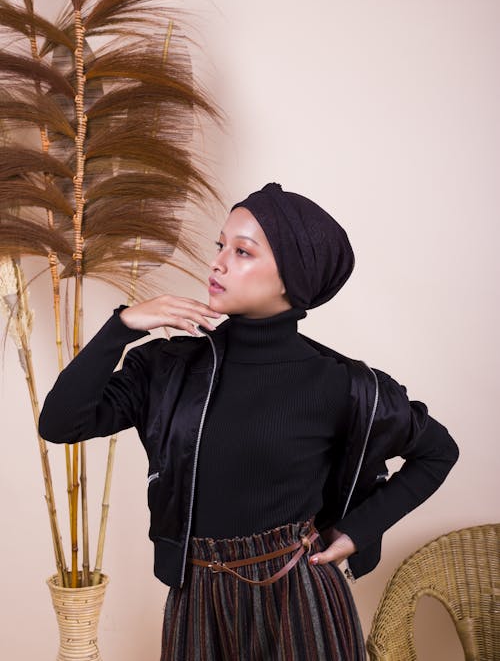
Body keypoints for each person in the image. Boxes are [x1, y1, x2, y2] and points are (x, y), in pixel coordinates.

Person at [39, 181, 459, 660]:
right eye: (221, 246)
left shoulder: (340, 383)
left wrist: (357, 531)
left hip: (299, 599)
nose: (217, 262)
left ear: (290, 277)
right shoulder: (168, 367)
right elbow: (60, 423)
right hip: (196, 600)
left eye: (242, 252)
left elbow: (437, 452)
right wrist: (122, 326)